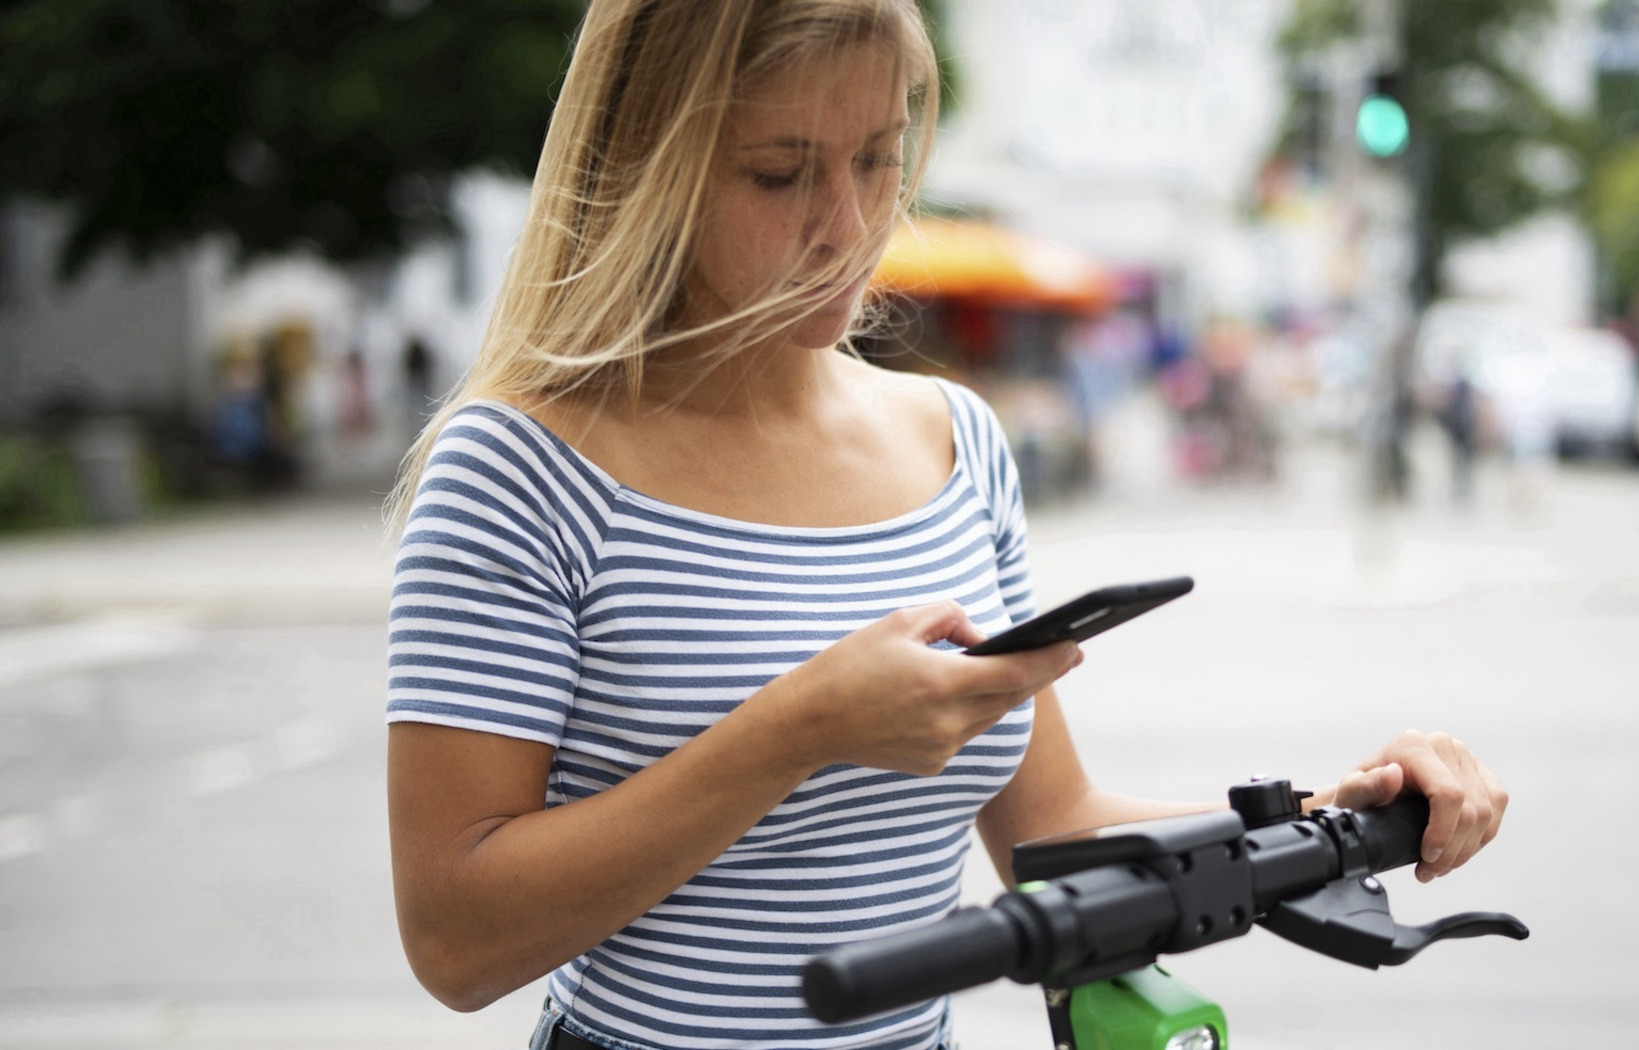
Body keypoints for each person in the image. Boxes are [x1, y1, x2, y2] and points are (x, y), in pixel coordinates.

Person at [381, 3, 1509, 1049]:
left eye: (878, 157)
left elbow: (1051, 831)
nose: (852, 222)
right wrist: (797, 729)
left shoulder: (953, 439)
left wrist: (1325, 814)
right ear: (645, 172)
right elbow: (458, 942)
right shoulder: (523, 464)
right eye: (782, 174)